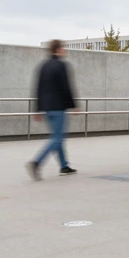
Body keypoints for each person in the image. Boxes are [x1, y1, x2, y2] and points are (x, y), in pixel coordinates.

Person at [26, 40, 77, 180]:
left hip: (47, 108)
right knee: (57, 138)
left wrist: (37, 109)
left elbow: (38, 88)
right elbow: (66, 87)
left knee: (57, 137)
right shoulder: (61, 65)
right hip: (59, 107)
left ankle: (64, 166)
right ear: (59, 49)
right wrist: (74, 105)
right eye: (63, 48)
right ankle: (36, 163)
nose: (65, 50)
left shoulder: (43, 66)